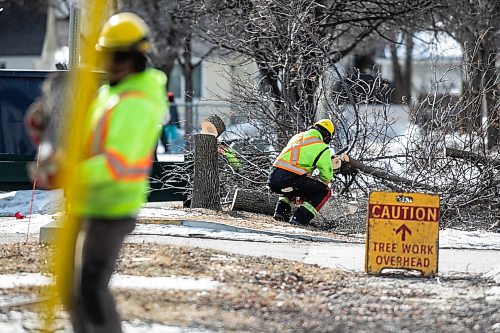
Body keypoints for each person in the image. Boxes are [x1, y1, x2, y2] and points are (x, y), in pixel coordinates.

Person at [28, 12, 167, 332]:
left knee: (89, 287)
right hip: (90, 201)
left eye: (121, 56)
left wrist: (68, 173)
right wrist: (49, 132)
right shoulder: (112, 93)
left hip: (112, 207)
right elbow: (87, 145)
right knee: (70, 287)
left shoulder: (137, 103)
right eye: (108, 55)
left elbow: (115, 164)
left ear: (137, 57)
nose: (113, 63)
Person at [267, 119, 334, 226]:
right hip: (289, 179)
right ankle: (300, 219)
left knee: (295, 186)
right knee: (325, 191)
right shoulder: (322, 147)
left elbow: (295, 162)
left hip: (273, 179)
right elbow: (326, 176)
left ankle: (281, 212)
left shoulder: (297, 137)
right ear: (326, 136)